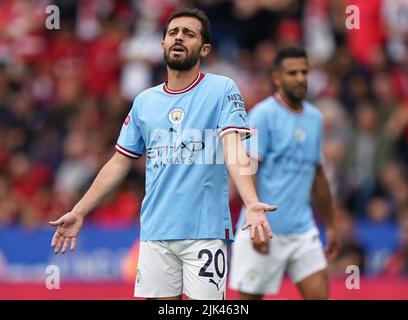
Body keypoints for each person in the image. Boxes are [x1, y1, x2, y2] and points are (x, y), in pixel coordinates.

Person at [49, 8, 276, 300]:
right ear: (162, 45)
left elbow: (234, 147)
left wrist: (252, 202)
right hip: (156, 232)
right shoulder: (145, 101)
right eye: (173, 33)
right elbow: (118, 162)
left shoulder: (222, 89)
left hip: (204, 233)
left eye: (189, 34)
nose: (179, 38)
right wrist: (79, 210)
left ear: (204, 48)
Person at [229, 46, 341, 300]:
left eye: (304, 72)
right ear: (277, 78)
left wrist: (332, 225)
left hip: (302, 230)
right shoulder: (262, 115)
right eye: (292, 73)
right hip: (264, 228)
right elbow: (247, 168)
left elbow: (318, 175)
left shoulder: (314, 118)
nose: (300, 78)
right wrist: (256, 222)